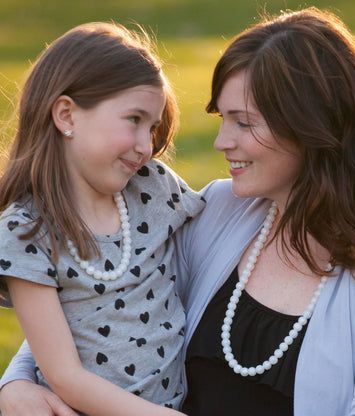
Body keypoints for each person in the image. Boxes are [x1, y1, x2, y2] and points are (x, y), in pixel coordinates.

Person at [2, 6, 355, 416]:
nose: (220, 142)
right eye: (223, 118)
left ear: (312, 126)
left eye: (243, 123)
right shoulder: (219, 212)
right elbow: (98, 304)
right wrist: (16, 383)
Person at [0, 21, 205, 416]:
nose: (147, 146)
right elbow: (65, 376)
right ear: (66, 115)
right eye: (134, 120)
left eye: (154, 127)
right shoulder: (24, 233)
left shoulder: (153, 188)